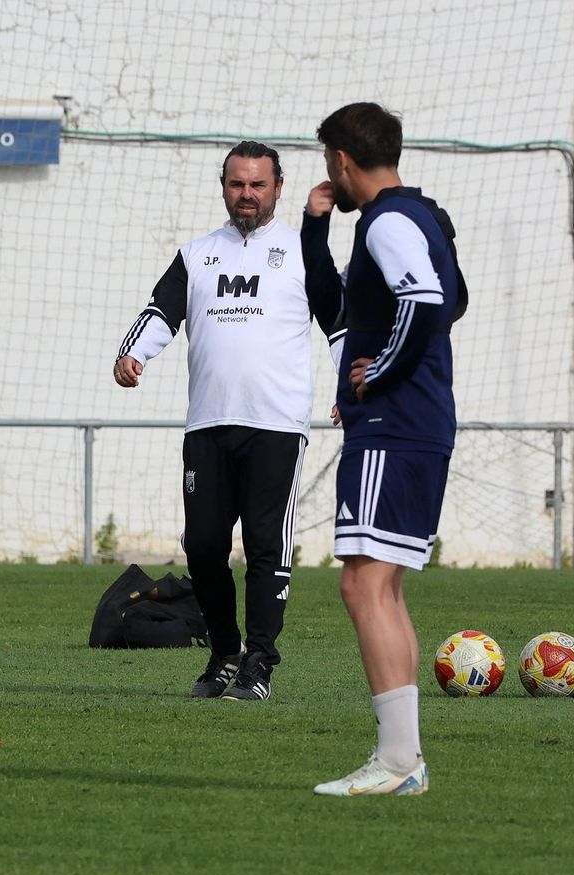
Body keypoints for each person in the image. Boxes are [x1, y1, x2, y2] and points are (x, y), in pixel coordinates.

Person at [114, 141, 342, 701]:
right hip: (208, 424)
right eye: (237, 184)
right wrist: (134, 353)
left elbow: (340, 324)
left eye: (257, 184)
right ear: (224, 188)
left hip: (277, 424)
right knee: (205, 546)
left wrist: (352, 387)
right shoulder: (196, 255)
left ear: (278, 188)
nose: (247, 194)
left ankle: (260, 662)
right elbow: (163, 310)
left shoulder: (301, 251)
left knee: (267, 546)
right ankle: (223, 653)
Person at [303, 102, 465, 796]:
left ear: (341, 160)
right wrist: (314, 229)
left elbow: (428, 298)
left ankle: (398, 762)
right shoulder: (419, 215)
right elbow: (451, 297)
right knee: (383, 584)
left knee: (362, 582)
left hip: (394, 424)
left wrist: (382, 370)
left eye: (326, 164)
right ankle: (404, 762)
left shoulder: (389, 221)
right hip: (417, 423)